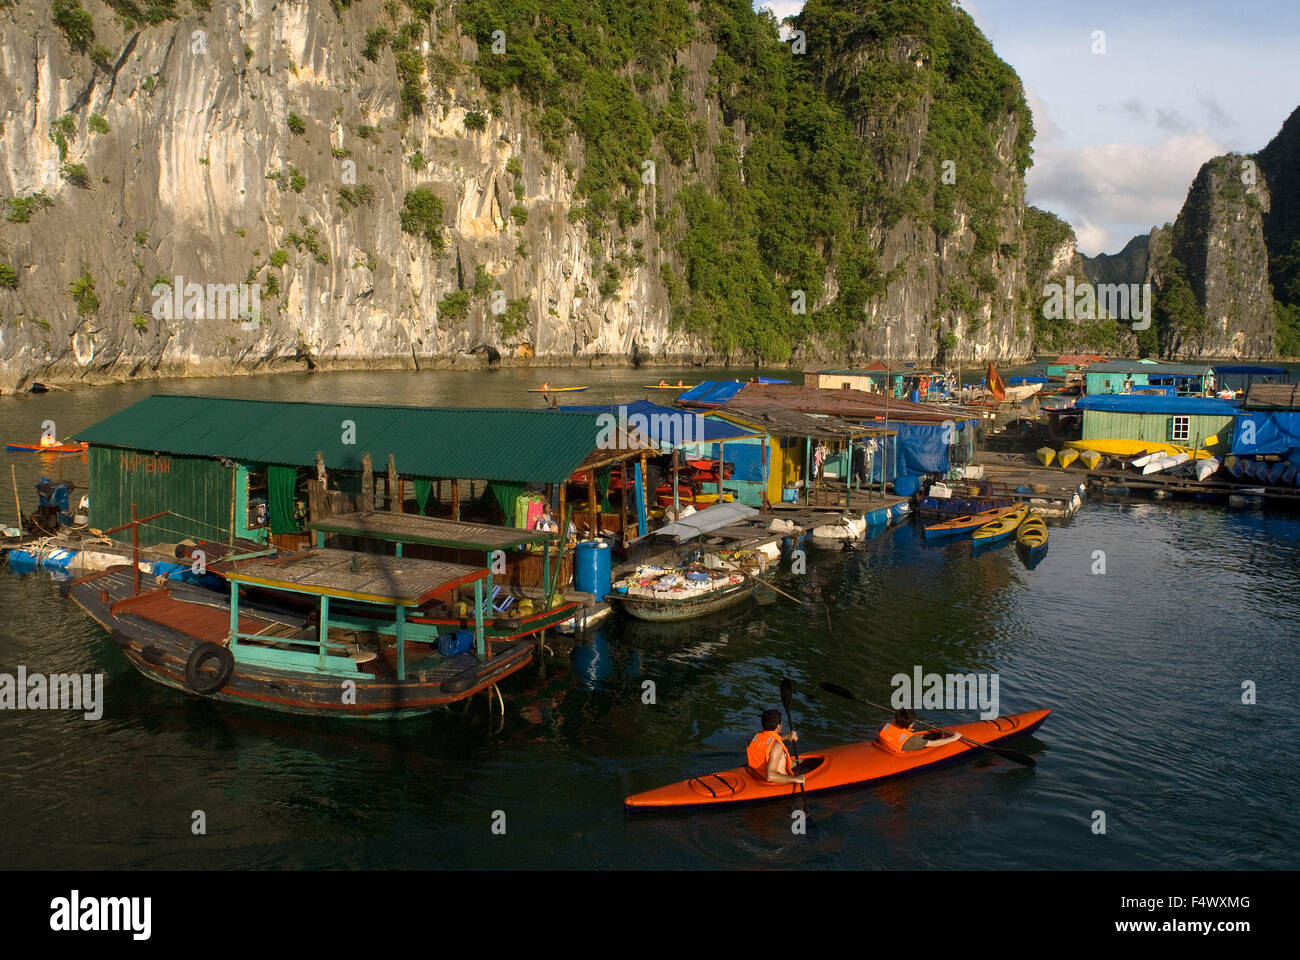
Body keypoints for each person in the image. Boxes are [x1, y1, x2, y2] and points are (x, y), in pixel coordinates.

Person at [746, 709, 804, 784]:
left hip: (757, 774)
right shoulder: (777, 746)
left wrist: (786, 737)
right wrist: (796, 779)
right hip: (776, 782)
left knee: (803, 762)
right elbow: (770, 776)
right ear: (778, 726)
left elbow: (769, 739)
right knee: (805, 767)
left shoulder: (755, 737)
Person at [876, 709, 962, 755]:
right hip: (904, 746)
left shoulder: (885, 726)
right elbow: (935, 743)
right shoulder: (913, 741)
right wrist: (953, 738)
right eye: (913, 722)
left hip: (888, 745)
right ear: (910, 725)